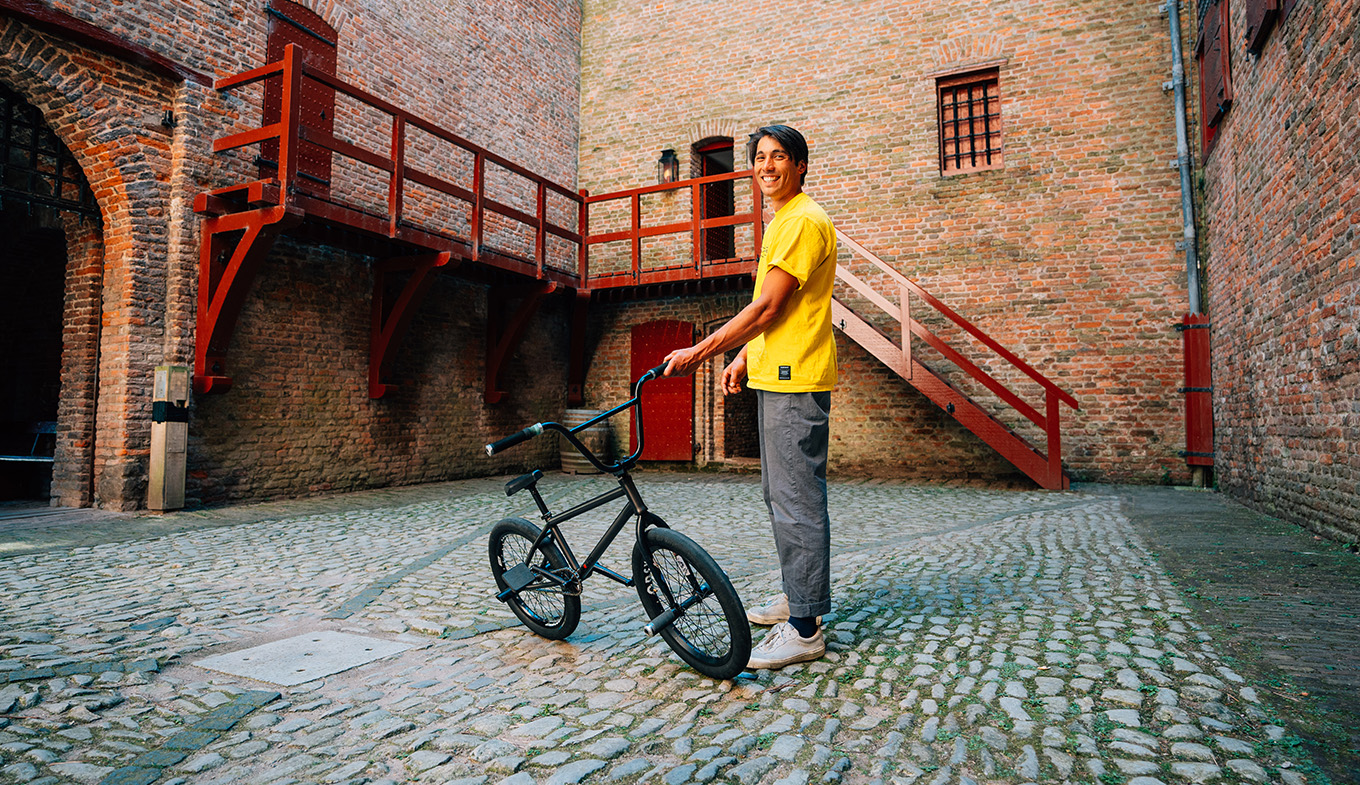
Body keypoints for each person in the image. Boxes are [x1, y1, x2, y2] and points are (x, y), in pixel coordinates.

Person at [660, 124, 836, 670]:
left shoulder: (802, 220)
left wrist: (702, 351)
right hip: (777, 372)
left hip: (795, 380)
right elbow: (780, 312)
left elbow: (766, 309)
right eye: (759, 157)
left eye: (778, 156)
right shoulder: (785, 220)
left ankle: (804, 629)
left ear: (800, 165)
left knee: (797, 502)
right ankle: (797, 596)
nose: (766, 165)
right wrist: (744, 357)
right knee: (781, 498)